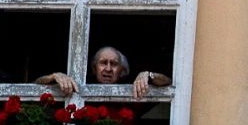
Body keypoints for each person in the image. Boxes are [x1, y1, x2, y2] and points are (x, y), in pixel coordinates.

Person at [36, 46, 170, 100]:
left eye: (114, 64)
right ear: (94, 68)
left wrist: (148, 75)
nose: (108, 68)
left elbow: (167, 83)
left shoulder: (135, 92)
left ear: (122, 71)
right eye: (103, 62)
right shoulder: (79, 87)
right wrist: (54, 76)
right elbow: (36, 85)